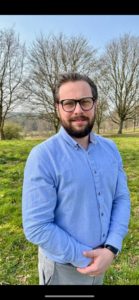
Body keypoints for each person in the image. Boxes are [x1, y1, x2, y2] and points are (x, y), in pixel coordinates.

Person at [22, 72, 130, 285]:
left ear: (95, 104)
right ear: (57, 108)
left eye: (85, 102)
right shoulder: (43, 157)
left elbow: (121, 198)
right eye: (69, 103)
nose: (78, 110)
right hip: (64, 271)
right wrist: (88, 258)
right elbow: (37, 226)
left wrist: (111, 248)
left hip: (103, 261)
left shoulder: (111, 149)